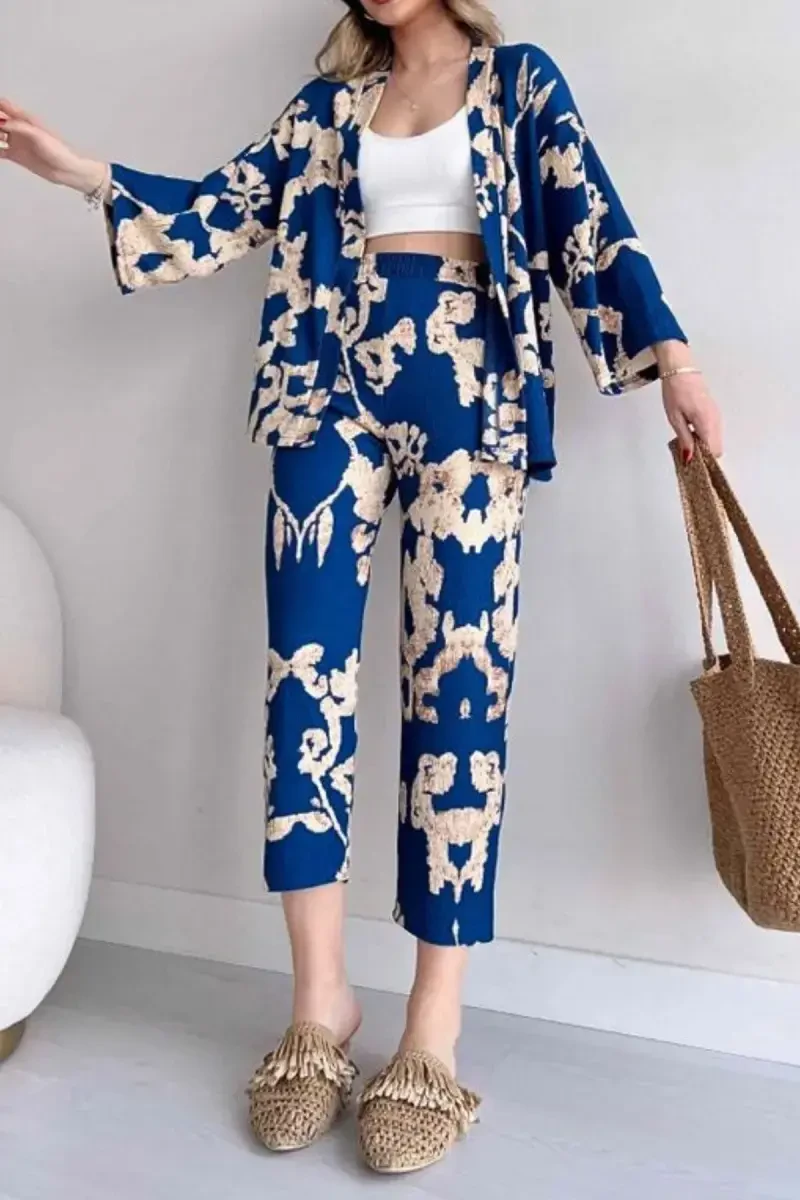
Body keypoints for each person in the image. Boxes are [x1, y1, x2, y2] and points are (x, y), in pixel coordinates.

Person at [0, 0, 723, 1175]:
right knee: (304, 679)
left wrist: (674, 366)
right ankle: (317, 1005)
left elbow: (591, 222)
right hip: (324, 385)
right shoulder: (326, 107)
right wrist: (80, 172)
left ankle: (430, 1030)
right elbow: (227, 207)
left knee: (459, 697)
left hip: (473, 391)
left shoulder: (518, 82)